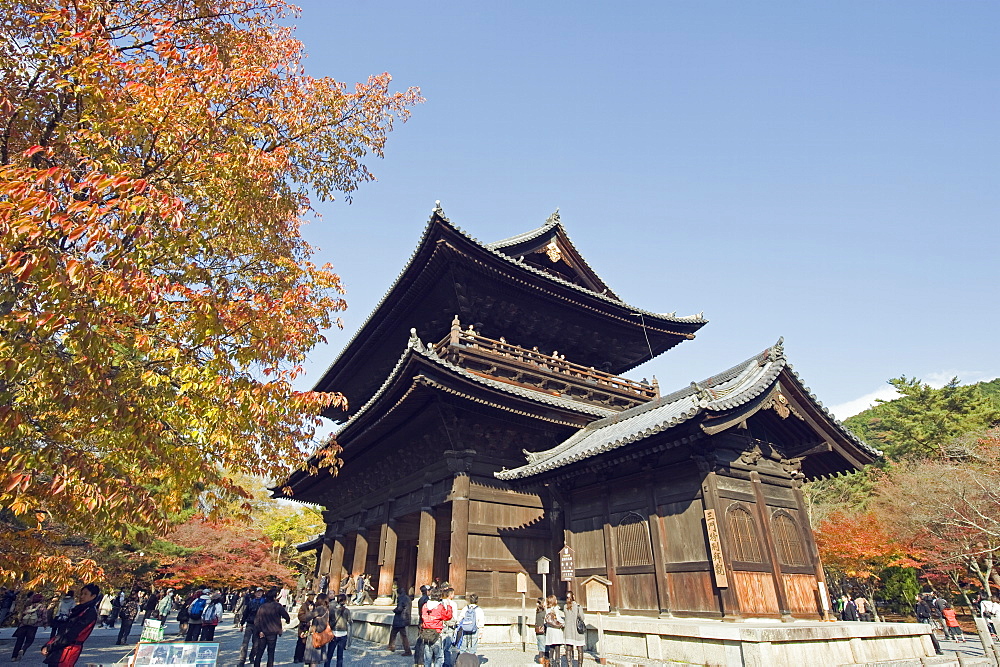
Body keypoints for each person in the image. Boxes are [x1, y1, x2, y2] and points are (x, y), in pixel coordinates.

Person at [41, 583, 100, 667]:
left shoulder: (90, 612)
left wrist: (51, 646)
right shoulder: (78, 609)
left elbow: (73, 634)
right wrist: (48, 644)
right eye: (81, 593)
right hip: (60, 647)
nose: (82, 596)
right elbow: (62, 631)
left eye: (85, 594)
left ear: (93, 596)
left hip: (69, 649)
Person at [251, 589, 290, 667]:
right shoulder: (277, 606)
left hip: (263, 632)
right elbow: (286, 615)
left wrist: (260, 630)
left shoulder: (262, 607)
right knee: (271, 652)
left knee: (260, 651)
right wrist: (287, 621)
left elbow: (257, 620)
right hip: (273, 631)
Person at [421, 587, 454, 667]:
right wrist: (449, 607)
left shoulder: (425, 606)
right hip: (436, 632)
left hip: (426, 632)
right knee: (439, 657)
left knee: (427, 657)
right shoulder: (439, 607)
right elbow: (447, 617)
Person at [11, 593, 47, 661]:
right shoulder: (42, 607)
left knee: (19, 641)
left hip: (23, 625)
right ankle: (23, 649)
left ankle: (14, 656)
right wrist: (45, 624)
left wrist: (21, 622)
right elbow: (44, 617)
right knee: (29, 640)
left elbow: (22, 615)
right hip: (33, 626)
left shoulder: (28, 606)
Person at [237, 588, 266, 667]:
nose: (259, 594)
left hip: (259, 625)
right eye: (258, 592)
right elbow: (245, 613)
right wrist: (242, 623)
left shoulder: (264, 602)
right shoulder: (251, 602)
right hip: (250, 623)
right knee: (245, 642)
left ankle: (252, 656)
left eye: (260, 592)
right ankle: (242, 660)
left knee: (256, 643)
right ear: (255, 593)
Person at [303, 594, 329, 667]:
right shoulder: (326, 609)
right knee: (316, 657)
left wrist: (310, 610)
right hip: (322, 634)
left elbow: (307, 617)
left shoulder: (319, 609)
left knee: (313, 657)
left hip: (315, 634)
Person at [327, 594, 353, 667]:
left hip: (334, 633)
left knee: (329, 654)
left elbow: (330, 620)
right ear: (344, 601)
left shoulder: (332, 610)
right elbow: (349, 621)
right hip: (343, 634)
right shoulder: (347, 611)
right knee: (340, 655)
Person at [562, 590, 586, 666]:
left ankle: (570, 665)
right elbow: (582, 618)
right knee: (580, 650)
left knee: (568, 649)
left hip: (568, 631)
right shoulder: (578, 606)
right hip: (577, 631)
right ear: (573, 597)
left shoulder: (565, 607)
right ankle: (580, 665)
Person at [387, 587, 412, 655]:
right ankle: (406, 649)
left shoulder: (400, 598)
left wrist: (395, 610)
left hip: (400, 619)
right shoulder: (407, 598)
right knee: (402, 634)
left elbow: (399, 608)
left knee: (395, 633)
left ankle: (392, 647)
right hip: (406, 618)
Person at [544, 594, 565, 667]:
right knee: (557, 647)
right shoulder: (555, 608)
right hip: (556, 630)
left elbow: (546, 620)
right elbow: (558, 618)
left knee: (551, 647)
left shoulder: (547, 609)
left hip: (550, 629)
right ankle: (557, 663)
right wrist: (563, 623)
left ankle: (551, 662)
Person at [294, 593, 316, 663]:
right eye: (311, 595)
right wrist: (309, 614)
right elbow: (300, 616)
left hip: (311, 626)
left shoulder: (314, 605)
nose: (312, 597)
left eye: (313, 596)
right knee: (301, 642)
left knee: (307, 643)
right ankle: (297, 657)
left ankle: (303, 656)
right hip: (303, 626)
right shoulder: (304, 605)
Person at [414, 585, 430, 666]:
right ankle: (421, 660)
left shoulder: (421, 599)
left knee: (419, 641)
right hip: (424, 621)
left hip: (421, 620)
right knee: (423, 642)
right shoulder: (426, 600)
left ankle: (417, 660)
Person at [534, 597, 548, 665]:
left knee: (540, 646)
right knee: (543, 648)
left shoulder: (537, 611)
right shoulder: (543, 612)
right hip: (542, 631)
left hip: (537, 631)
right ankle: (542, 662)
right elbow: (547, 620)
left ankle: (541, 660)